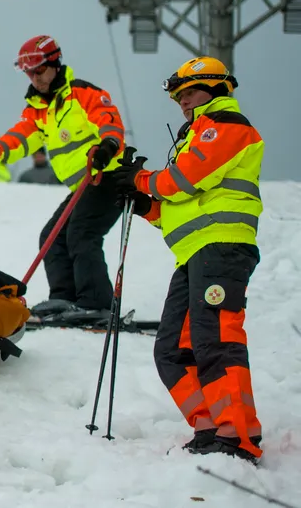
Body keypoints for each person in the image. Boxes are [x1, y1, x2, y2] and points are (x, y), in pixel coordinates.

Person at [111, 57, 263, 463]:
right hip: (196, 252)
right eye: (178, 96)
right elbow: (180, 208)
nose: (182, 101)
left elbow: (183, 180)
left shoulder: (226, 126)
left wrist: (141, 179)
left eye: (190, 92)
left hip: (222, 247)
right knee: (172, 350)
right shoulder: (196, 135)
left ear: (215, 89)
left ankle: (238, 434)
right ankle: (210, 425)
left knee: (217, 340)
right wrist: (144, 204)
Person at [0, 35, 126, 322]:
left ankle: (96, 303)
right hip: (83, 186)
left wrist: (108, 145)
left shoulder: (82, 93)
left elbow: (109, 121)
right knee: (52, 237)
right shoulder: (39, 108)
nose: (35, 78)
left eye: (40, 70)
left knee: (81, 233)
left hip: (109, 176)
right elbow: (23, 136)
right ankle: (64, 299)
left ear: (55, 64)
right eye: (29, 73)